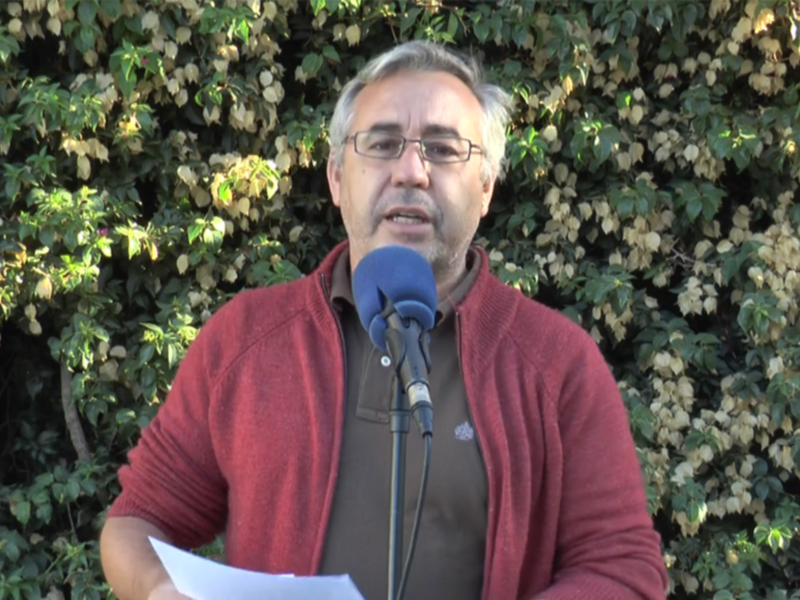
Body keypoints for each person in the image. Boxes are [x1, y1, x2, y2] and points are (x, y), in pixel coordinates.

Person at [100, 41, 669, 600]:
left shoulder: (558, 364)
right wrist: (158, 590)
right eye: (383, 143)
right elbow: (139, 520)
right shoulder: (243, 341)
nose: (412, 171)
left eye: (445, 150)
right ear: (337, 177)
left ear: (487, 188)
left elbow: (622, 567)